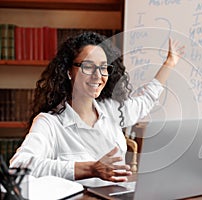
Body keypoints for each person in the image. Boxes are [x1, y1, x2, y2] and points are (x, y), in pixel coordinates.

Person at [10, 32, 185, 183]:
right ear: (68, 71)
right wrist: (90, 168)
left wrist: (170, 62)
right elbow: (19, 164)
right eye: (88, 66)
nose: (98, 76)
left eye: (103, 67)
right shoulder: (50, 122)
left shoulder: (112, 109)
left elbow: (145, 99)